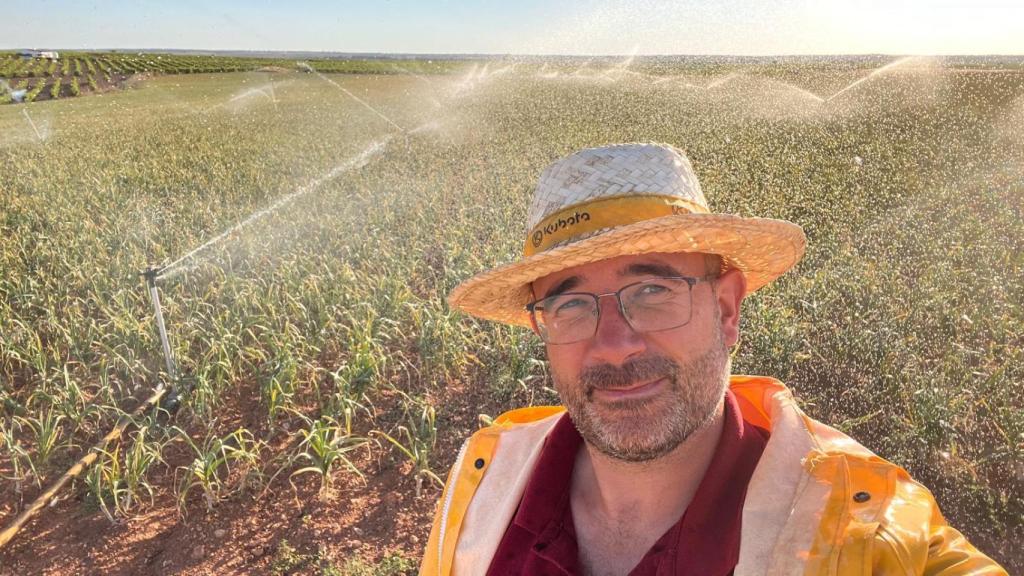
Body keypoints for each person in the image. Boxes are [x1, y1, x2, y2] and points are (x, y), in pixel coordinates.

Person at [419, 143, 1006, 575]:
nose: (615, 344)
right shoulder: (484, 478)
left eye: (652, 292)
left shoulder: (866, 525)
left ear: (727, 308)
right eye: (571, 305)